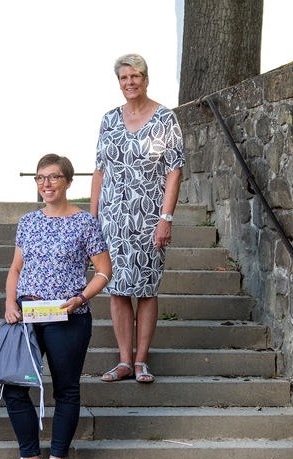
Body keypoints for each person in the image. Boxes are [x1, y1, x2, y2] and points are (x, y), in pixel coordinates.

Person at [0, 154, 111, 459]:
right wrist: (9, 302)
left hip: (68, 316)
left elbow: (103, 271)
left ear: (68, 181)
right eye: (40, 178)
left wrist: (82, 298)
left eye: (54, 177)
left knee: (67, 389)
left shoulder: (85, 222)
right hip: (27, 315)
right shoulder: (28, 221)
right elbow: (16, 268)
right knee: (13, 385)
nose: (46, 184)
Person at [90, 53, 185, 384]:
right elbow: (100, 170)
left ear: (146, 79)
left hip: (148, 217)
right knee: (116, 288)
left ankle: (142, 360)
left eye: (136, 77)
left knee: (146, 288)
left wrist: (166, 217)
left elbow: (175, 171)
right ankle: (124, 361)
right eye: (124, 78)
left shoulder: (165, 119)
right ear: (119, 82)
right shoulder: (109, 119)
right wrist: (92, 217)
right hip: (112, 217)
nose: (130, 83)